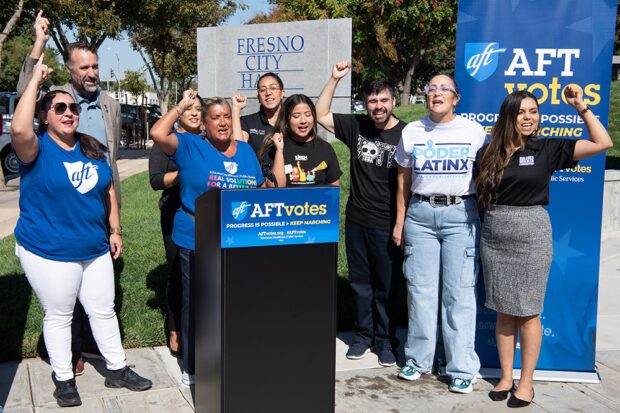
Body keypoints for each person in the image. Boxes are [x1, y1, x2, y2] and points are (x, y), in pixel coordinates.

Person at [11, 56, 151, 408]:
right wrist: (34, 83)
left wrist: (115, 230)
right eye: (59, 108)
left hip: (95, 247)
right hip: (49, 250)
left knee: (103, 310)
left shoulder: (90, 146)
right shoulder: (36, 149)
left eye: (72, 107)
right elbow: (18, 130)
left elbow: (108, 191)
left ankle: (117, 368)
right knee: (60, 314)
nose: (69, 112)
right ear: (46, 115)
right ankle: (63, 378)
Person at [474, 88, 612, 407]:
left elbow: (604, 143)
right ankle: (506, 377)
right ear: (509, 115)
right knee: (504, 311)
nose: (529, 117)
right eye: (522, 111)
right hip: (495, 234)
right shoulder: (490, 152)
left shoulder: (548, 148)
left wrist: (582, 107)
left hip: (532, 234)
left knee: (528, 312)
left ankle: (526, 383)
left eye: (534, 111)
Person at [17, 11, 122, 373]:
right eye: (84, 68)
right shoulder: (52, 96)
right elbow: (22, 95)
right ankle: (67, 357)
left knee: (100, 298)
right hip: (54, 222)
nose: (91, 73)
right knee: (62, 300)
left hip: (96, 216)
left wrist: (115, 223)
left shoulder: (111, 104)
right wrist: (39, 43)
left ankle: (97, 351)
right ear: (70, 71)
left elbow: (112, 163)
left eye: (95, 66)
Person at [150, 90, 264, 386]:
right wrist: (181, 107)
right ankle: (193, 363)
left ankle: (229, 353)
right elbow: (157, 132)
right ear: (204, 122)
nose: (223, 122)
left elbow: (260, 186)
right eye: (215, 117)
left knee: (231, 300)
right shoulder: (189, 144)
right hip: (195, 236)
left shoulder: (245, 150)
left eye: (227, 116)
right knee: (196, 301)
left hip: (236, 238)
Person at [392, 74, 485, 394]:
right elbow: (403, 180)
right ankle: (418, 360)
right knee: (420, 292)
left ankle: (461, 368)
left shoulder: (473, 132)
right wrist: (400, 222)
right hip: (419, 217)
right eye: (431, 88)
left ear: (456, 98)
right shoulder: (412, 131)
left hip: (461, 216)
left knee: (458, 294)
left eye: (444, 89)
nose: (437, 93)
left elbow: (486, 175)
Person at [316, 61, 406, 367]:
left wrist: (400, 223)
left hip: (387, 224)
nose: (378, 106)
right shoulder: (357, 126)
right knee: (360, 283)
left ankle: (386, 341)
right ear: (364, 104)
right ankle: (363, 336)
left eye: (383, 100)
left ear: (393, 101)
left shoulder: (407, 134)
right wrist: (335, 78)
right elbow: (321, 114)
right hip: (357, 220)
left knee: (387, 286)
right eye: (372, 101)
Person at [147, 95, 204, 358]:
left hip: (207, 214)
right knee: (177, 272)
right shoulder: (167, 141)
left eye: (199, 109)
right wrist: (187, 172)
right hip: (175, 214)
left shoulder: (208, 141)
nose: (195, 113)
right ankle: (175, 329)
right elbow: (156, 180)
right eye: (189, 109)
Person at [259, 94, 341, 188]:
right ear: (286, 119)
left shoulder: (325, 149)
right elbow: (275, 188)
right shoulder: (275, 147)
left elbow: (333, 192)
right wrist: (279, 150)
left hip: (316, 203)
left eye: (308, 115)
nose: (303, 120)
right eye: (296, 116)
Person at [232, 72, 285, 154]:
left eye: (273, 88)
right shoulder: (247, 122)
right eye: (263, 90)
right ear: (258, 97)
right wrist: (236, 109)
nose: (268, 93)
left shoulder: (291, 121)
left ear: (282, 93)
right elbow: (239, 150)